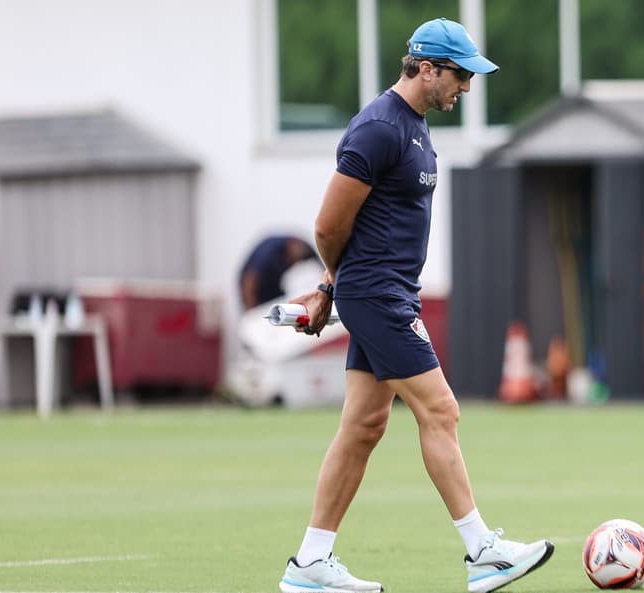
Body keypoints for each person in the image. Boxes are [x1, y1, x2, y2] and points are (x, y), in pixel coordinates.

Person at [278, 17, 554, 593]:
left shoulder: (417, 126)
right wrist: (334, 285)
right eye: (460, 76)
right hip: (377, 297)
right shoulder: (378, 128)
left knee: (364, 425)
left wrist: (335, 290)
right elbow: (329, 224)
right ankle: (483, 551)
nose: (467, 88)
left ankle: (309, 565)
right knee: (441, 411)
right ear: (426, 68)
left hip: (385, 293)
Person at [239, 235, 317, 310]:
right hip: (254, 290)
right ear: (290, 244)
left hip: (274, 288)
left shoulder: (305, 248)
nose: (295, 263)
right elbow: (249, 281)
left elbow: (324, 268)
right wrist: (251, 312)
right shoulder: (269, 251)